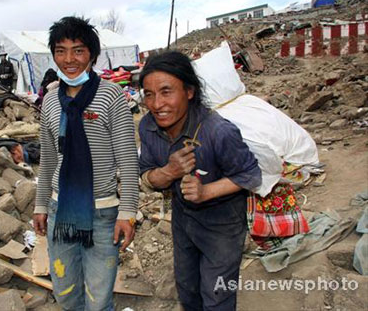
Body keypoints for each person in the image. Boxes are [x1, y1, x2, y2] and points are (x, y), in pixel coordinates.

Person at [138, 51, 262, 311]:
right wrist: (168, 172)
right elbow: (147, 174)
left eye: (166, 91)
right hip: (183, 220)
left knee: (217, 296)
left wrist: (207, 191)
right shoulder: (148, 127)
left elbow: (250, 175)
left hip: (223, 224)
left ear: (189, 92)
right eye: (149, 94)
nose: (157, 104)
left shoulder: (218, 131)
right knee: (188, 289)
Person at [33, 16, 139, 311]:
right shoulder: (51, 101)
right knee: (65, 294)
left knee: (98, 299)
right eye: (61, 50)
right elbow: (48, 160)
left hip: (103, 215)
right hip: (60, 211)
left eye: (78, 50)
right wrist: (41, 206)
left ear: (91, 54)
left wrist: (128, 213)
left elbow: (128, 161)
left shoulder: (111, 96)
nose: (69, 59)